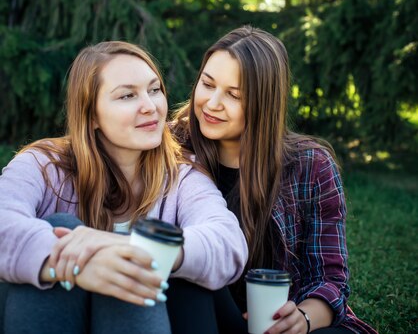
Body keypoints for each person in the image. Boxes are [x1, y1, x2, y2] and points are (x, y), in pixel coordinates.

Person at [0, 41, 248, 334]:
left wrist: (135, 248)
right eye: (128, 95)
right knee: (61, 226)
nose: (150, 107)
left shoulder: (182, 173)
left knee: (142, 261)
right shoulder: (43, 165)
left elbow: (228, 242)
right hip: (51, 315)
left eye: (154, 90)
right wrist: (78, 265)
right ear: (91, 114)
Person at [173, 26, 378, 334]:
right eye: (207, 84)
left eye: (234, 95)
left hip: (282, 323)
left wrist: (304, 318)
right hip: (205, 313)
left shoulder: (310, 166)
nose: (212, 103)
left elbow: (330, 280)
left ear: (264, 103)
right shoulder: (172, 146)